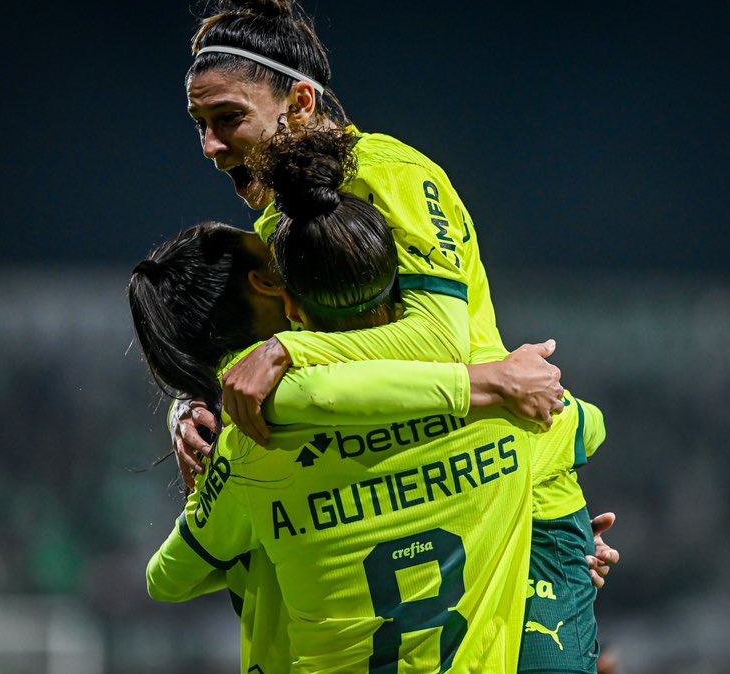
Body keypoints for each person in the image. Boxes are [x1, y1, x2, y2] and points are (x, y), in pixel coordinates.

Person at [137, 127, 608, 670]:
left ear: (291, 300)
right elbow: (586, 425)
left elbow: (166, 580)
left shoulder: (245, 446)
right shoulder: (501, 412)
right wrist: (544, 530)